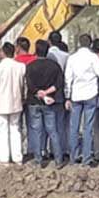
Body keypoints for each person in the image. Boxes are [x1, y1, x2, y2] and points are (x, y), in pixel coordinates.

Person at [24, 40, 66, 168]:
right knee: (53, 130)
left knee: (36, 131)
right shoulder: (54, 66)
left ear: (36, 51)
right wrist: (47, 93)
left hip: (34, 102)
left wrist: (39, 93)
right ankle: (59, 159)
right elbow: (59, 84)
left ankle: (38, 160)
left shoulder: (30, 66)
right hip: (49, 102)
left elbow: (30, 85)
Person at [65, 33, 99, 166]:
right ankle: (87, 157)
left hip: (76, 95)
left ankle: (74, 156)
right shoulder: (93, 57)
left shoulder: (72, 58)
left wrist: (67, 96)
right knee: (88, 127)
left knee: (74, 127)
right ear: (90, 44)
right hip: (90, 94)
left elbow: (68, 79)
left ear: (79, 43)